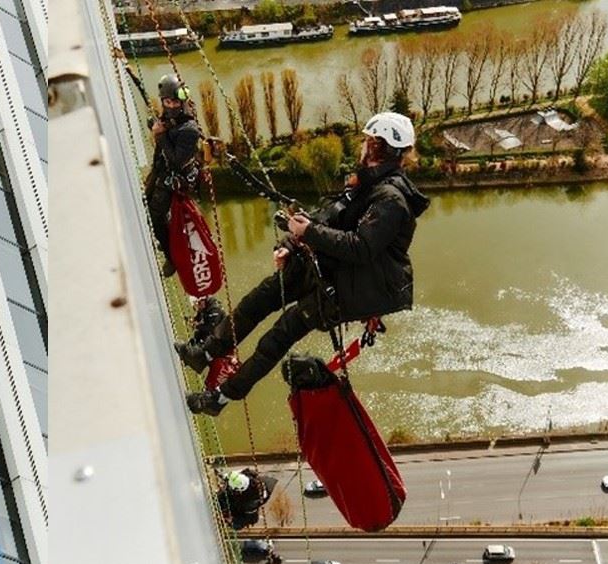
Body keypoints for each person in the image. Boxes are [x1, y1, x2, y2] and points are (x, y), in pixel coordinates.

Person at [183, 112, 430, 416]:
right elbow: (328, 216)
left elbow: (361, 248)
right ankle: (206, 352)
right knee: (258, 300)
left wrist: (308, 233)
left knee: (277, 336)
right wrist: (290, 244)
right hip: (328, 267)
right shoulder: (367, 183)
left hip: (345, 289)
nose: (362, 145)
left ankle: (218, 398)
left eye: (367, 140)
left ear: (378, 146)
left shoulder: (391, 200)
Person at [144, 74, 204, 278]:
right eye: (167, 101)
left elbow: (177, 159)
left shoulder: (189, 129)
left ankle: (172, 257)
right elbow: (158, 124)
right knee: (147, 203)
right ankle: (167, 239)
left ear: (182, 101)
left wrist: (160, 136)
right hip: (162, 172)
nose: (171, 105)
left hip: (176, 179)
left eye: (175, 101)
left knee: (155, 215)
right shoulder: (170, 119)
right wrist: (154, 125)